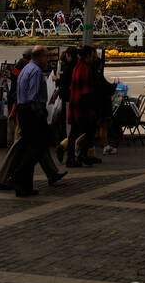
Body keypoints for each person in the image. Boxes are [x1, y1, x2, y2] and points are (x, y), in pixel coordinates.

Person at [12, 46, 57, 198]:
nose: (48, 59)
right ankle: (19, 175)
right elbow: (33, 96)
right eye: (46, 56)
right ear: (39, 57)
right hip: (32, 112)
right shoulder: (36, 71)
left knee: (29, 147)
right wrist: (41, 114)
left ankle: (25, 186)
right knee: (36, 148)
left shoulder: (27, 68)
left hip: (23, 110)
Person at [66, 46, 101, 166]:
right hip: (83, 106)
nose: (94, 57)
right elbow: (87, 92)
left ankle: (73, 157)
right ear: (87, 56)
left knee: (74, 133)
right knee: (89, 132)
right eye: (92, 55)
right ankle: (81, 156)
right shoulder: (85, 69)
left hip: (75, 104)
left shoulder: (77, 66)